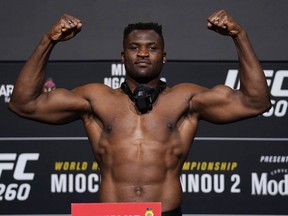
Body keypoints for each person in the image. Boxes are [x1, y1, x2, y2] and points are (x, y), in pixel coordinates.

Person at [8, 9, 271, 216]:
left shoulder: (186, 99)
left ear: (164, 57)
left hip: (164, 212)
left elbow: (255, 101)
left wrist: (240, 35)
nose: (143, 53)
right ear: (122, 57)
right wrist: (48, 40)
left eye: (152, 48)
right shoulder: (97, 99)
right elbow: (23, 103)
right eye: (134, 48)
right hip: (111, 213)